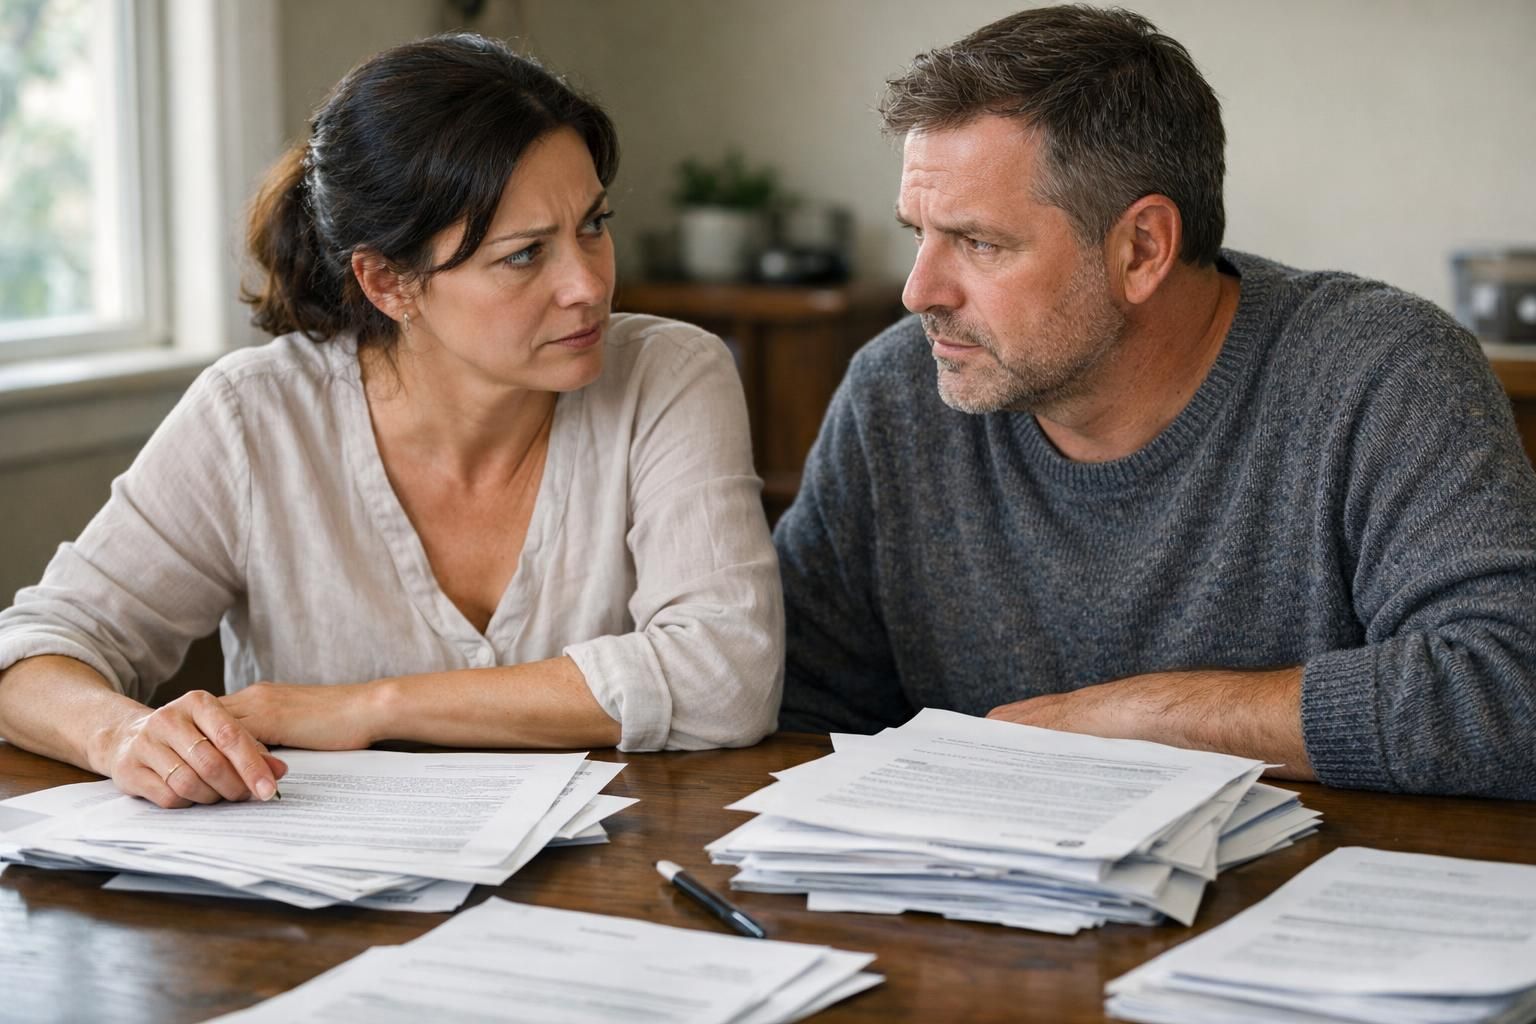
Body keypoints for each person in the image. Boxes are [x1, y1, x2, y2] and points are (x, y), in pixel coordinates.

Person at [0, 34, 783, 809]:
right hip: (307, 911)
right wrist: (120, 737)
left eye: (592, 225)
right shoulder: (252, 416)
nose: (587, 283)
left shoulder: (671, 374)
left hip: (607, 899)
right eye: (523, 255)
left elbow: (726, 677)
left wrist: (366, 708)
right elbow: (31, 655)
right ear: (386, 282)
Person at [775, 6, 1536, 798]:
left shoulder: (1378, 372)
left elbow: (1512, 689)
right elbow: (794, 707)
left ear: (1141, 249)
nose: (918, 292)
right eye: (918, 234)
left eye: (979, 244)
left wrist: (1123, 719)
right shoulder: (896, 395)